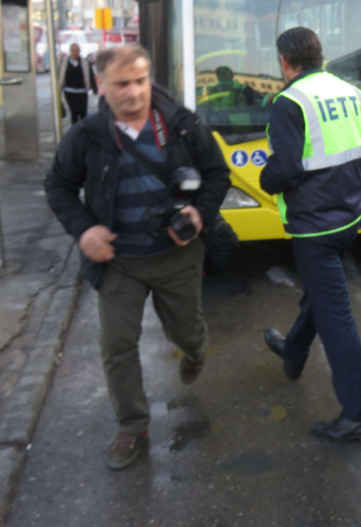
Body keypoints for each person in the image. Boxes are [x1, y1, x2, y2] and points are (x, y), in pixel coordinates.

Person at [44, 45, 230, 470]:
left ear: (150, 79)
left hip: (177, 255)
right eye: (121, 84)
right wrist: (84, 229)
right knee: (117, 345)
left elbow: (218, 174)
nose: (133, 92)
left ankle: (194, 349)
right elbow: (57, 186)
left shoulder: (184, 126)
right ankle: (132, 425)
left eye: (140, 81)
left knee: (186, 331)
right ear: (101, 85)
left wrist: (199, 212)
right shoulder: (86, 136)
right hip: (118, 261)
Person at [260, 27, 361, 443]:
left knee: (336, 319)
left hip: (313, 228)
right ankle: (293, 351)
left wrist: (265, 177)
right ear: (319, 55)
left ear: (284, 62)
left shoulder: (289, 102)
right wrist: (356, 190)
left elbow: (288, 168)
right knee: (321, 295)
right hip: (348, 222)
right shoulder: (351, 92)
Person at [61, 43, 97, 124]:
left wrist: (95, 88)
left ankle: (84, 131)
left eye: (77, 50)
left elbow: (91, 75)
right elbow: (60, 76)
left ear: (79, 51)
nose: (75, 52)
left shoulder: (84, 62)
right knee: (74, 113)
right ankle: (75, 131)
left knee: (83, 112)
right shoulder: (64, 62)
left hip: (82, 91)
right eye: (73, 50)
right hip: (69, 91)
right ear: (70, 51)